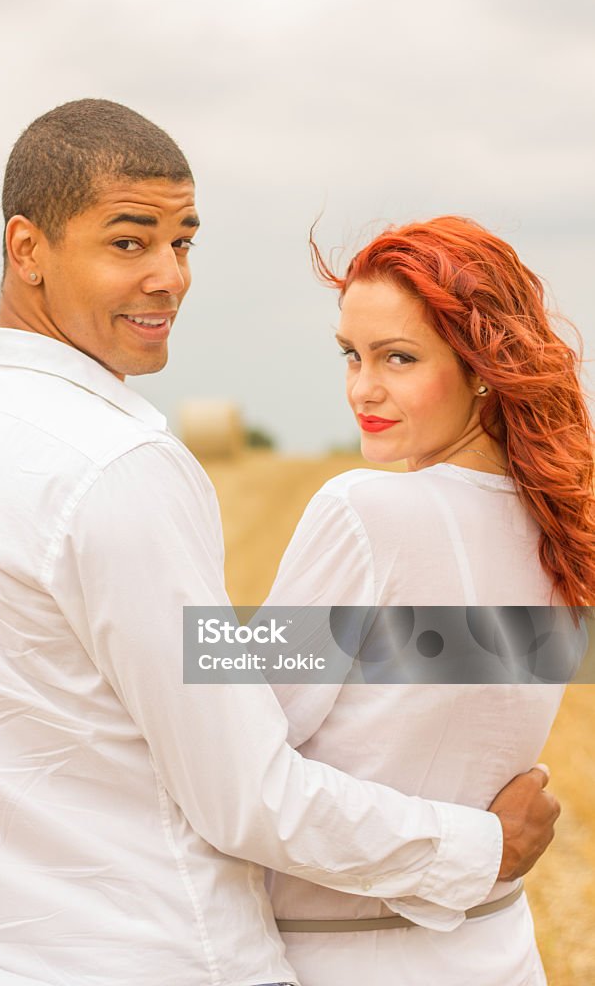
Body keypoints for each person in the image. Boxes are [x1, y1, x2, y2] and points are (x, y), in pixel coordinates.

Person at [0, 104, 559, 986]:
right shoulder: (118, 467)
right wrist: (479, 846)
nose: (169, 277)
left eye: (183, 242)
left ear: (481, 363)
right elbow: (246, 784)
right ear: (26, 248)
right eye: (129, 243)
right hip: (153, 958)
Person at [264, 216, 595, 985]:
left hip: (347, 957)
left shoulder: (365, 511)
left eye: (398, 358)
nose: (362, 388)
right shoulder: (560, 530)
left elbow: (245, 756)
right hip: (497, 951)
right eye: (351, 356)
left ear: (481, 368)